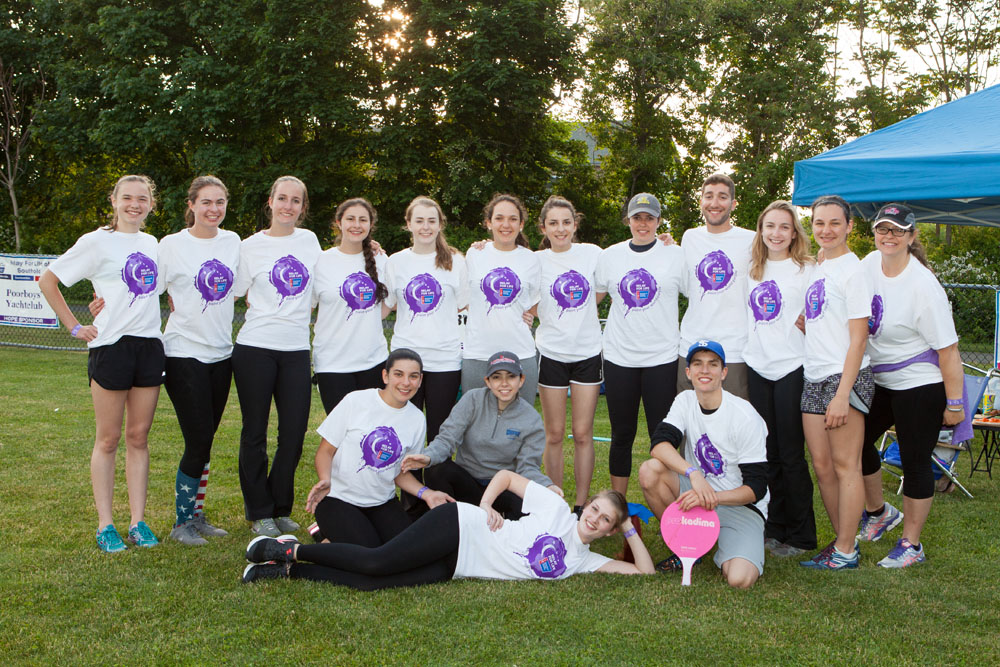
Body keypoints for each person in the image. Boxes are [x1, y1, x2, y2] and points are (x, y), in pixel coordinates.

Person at [242, 469, 654, 586]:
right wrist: (486, 504)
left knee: (373, 584)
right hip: (461, 527)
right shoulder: (557, 509)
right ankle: (288, 550)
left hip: (458, 566)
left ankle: (287, 572)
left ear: (609, 530)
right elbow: (507, 477)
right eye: (595, 509)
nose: (594, 518)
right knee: (377, 562)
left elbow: (645, 573)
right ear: (587, 505)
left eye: (605, 520)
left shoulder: (584, 560)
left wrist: (629, 529)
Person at [39, 175, 164, 552]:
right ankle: (105, 524)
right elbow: (47, 281)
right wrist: (75, 326)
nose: (134, 205)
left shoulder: (152, 244)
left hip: (149, 346)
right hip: (111, 348)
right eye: (127, 198)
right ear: (113, 200)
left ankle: (138, 522)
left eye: (142, 199)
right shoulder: (96, 241)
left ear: (151, 204)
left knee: (138, 437)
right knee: (108, 439)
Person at [858, 203, 965, 567]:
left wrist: (955, 403)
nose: (889, 236)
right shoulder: (869, 264)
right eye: (883, 228)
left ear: (911, 236)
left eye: (898, 230)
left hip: (920, 381)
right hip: (880, 378)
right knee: (856, 443)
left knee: (914, 460)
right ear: (874, 232)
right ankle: (879, 513)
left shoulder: (923, 286)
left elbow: (948, 350)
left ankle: (911, 545)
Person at [232, 175, 322, 537]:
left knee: (294, 433)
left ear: (302, 207)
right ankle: (259, 511)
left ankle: (280, 506)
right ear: (270, 202)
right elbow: (232, 290)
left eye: (295, 200)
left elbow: (330, 276)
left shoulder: (310, 241)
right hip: (255, 347)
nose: (288, 206)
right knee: (255, 431)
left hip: (296, 349)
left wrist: (370, 250)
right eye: (282, 198)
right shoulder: (249, 246)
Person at [638, 341, 769, 589]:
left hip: (739, 505)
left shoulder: (744, 416)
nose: (705, 370)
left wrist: (712, 498)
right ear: (688, 372)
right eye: (697, 364)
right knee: (650, 471)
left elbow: (756, 488)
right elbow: (659, 445)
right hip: (696, 491)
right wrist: (693, 473)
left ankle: (729, 541)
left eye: (713, 364)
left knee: (739, 579)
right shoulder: (685, 400)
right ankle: (686, 545)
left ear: (724, 372)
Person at [159, 176, 241, 545]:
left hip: (221, 354)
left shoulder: (233, 242)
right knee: (198, 440)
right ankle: (181, 523)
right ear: (191, 204)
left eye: (220, 202)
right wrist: (103, 301)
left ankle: (197, 514)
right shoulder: (171, 245)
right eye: (206, 202)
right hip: (183, 353)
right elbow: (144, 287)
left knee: (206, 441)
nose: (213, 209)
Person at [303, 349, 455, 545]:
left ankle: (328, 540)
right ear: (385, 376)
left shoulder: (417, 419)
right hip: (338, 499)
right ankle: (309, 543)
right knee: (370, 553)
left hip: (382, 502)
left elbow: (399, 471)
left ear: (420, 380)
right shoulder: (356, 401)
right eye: (398, 374)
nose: (406, 382)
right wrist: (325, 479)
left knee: (405, 552)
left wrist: (427, 494)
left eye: (413, 376)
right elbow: (325, 451)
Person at [799, 194, 873, 570]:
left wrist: (843, 395)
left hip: (844, 378)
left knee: (846, 466)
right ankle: (842, 541)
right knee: (823, 466)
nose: (826, 230)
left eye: (834, 223)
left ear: (849, 226)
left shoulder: (854, 272)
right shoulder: (820, 265)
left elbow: (859, 339)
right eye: (819, 223)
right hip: (813, 375)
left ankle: (846, 550)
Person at [594, 192, 685, 499]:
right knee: (622, 434)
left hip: (662, 359)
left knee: (664, 436)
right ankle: (617, 506)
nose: (643, 224)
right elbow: (590, 300)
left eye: (649, 218)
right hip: (620, 358)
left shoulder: (676, 255)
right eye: (637, 218)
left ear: (659, 221)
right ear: (628, 220)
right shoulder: (610, 256)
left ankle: (671, 506)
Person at [743, 201, 817, 558]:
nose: (776, 233)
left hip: (792, 367)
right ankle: (773, 528)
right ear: (760, 230)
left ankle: (801, 535)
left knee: (791, 455)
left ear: (794, 232)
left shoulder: (808, 269)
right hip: (758, 366)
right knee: (767, 453)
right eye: (769, 226)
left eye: (784, 227)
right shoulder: (752, 268)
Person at [401, 351, 558, 518]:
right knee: (436, 469)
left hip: (500, 488)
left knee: (526, 506)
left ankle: (497, 524)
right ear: (487, 381)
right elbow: (447, 439)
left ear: (521, 380)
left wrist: (547, 486)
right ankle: (451, 519)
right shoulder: (472, 400)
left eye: (511, 376)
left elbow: (528, 467)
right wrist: (428, 456)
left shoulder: (531, 419)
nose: (504, 383)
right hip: (467, 481)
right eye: (497, 377)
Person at [532, 195, 603, 512]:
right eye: (553, 223)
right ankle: (556, 504)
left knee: (583, 433)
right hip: (551, 354)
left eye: (566, 222)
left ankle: (580, 505)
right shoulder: (535, 260)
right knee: (555, 434)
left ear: (575, 225)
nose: (560, 229)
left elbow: (607, 283)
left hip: (587, 353)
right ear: (543, 228)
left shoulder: (593, 254)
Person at [384, 196, 468, 441]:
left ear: (440, 224)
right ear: (408, 224)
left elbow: (466, 305)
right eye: (419, 220)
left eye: (432, 221)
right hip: (406, 359)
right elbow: (387, 305)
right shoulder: (395, 262)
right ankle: (407, 469)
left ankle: (436, 470)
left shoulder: (456, 261)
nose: (426, 227)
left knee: (438, 434)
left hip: (445, 360)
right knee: (402, 433)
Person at [678, 173, 754, 399]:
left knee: (734, 416)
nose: (715, 203)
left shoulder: (751, 240)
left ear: (733, 203)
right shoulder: (689, 237)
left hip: (734, 349)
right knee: (690, 416)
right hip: (691, 345)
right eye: (709, 196)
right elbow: (681, 282)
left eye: (722, 197)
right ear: (701, 201)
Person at [312, 197, 390, 414]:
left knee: (372, 428)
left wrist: (368, 319)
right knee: (342, 429)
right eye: (350, 219)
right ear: (339, 222)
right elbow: (307, 307)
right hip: (332, 364)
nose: (357, 225)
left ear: (370, 225)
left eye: (363, 220)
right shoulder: (320, 261)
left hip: (374, 361)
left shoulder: (382, 260)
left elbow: (389, 306)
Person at [463, 194, 541, 403]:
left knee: (520, 421)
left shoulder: (531, 259)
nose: (506, 224)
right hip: (478, 354)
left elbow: (536, 303)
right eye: (499, 218)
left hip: (520, 353)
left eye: (513, 219)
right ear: (488, 223)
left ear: (521, 224)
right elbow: (465, 298)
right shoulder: (474, 254)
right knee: (475, 421)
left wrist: (527, 315)